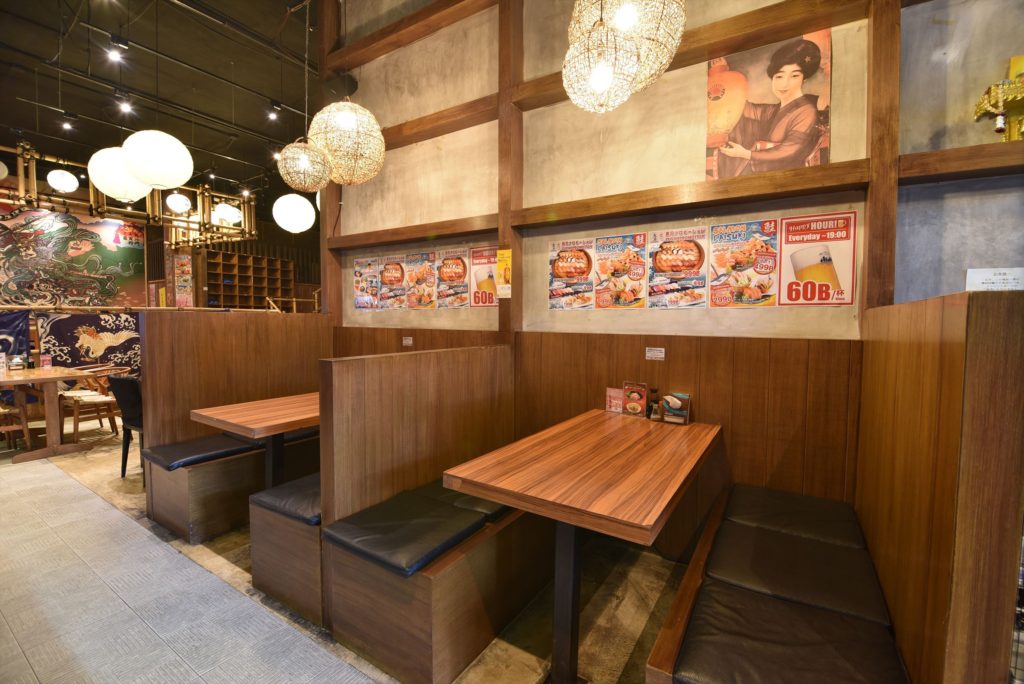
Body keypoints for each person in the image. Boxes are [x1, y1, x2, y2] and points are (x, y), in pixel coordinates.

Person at [717, 39, 825, 177]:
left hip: (788, 177)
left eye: (794, 76)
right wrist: (723, 74)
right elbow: (745, 108)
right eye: (779, 76)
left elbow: (789, 150)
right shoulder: (775, 110)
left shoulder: (806, 111)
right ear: (772, 78)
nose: (784, 83)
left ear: (804, 79)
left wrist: (746, 154)